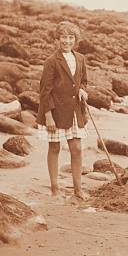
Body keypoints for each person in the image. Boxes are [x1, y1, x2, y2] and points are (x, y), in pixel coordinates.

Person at [37, 21, 89, 200]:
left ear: (75, 39)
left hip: (75, 111)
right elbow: (45, 91)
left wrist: (83, 89)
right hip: (55, 111)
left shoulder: (81, 58)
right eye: (63, 37)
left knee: (77, 148)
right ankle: (54, 188)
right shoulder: (51, 61)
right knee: (54, 148)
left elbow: (83, 81)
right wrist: (48, 115)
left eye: (70, 37)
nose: (67, 41)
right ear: (57, 39)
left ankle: (78, 189)